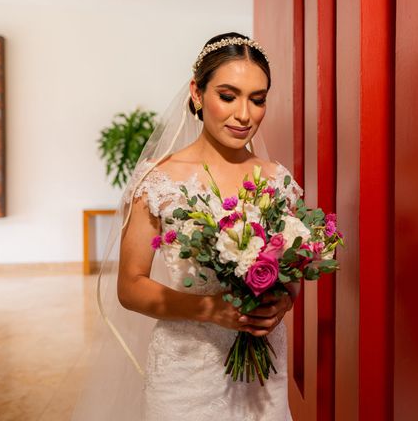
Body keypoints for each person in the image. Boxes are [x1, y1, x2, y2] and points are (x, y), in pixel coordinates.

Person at [72, 33, 300, 420]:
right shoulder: (160, 180)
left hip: (264, 373)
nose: (244, 114)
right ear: (197, 93)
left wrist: (283, 300)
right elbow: (130, 287)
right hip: (186, 370)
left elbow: (291, 268)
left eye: (257, 99)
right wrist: (211, 309)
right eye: (228, 96)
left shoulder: (277, 179)